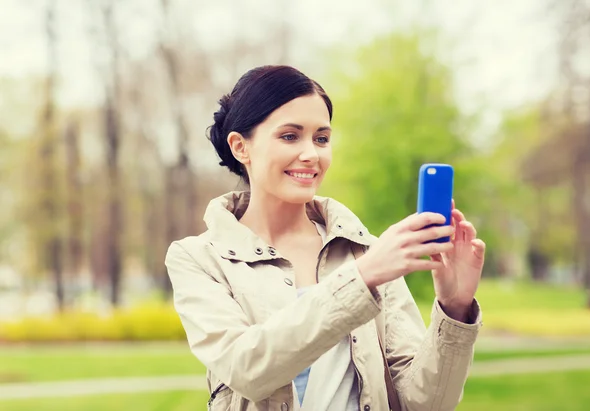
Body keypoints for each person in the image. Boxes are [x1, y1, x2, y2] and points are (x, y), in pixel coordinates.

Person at [165, 65, 486, 411]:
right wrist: (362, 279)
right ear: (241, 147)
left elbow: (424, 404)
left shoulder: (367, 251)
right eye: (290, 136)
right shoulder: (198, 258)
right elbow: (247, 369)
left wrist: (454, 309)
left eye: (321, 138)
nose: (311, 154)